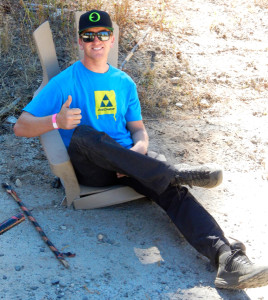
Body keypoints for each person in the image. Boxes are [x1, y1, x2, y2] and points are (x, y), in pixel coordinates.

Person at [14, 10, 268, 290]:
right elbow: (21, 126)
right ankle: (172, 172)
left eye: (103, 35)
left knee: (174, 194)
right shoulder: (65, 81)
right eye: (88, 36)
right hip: (92, 169)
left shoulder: (124, 82)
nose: (95, 41)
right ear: (79, 41)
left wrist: (140, 148)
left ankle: (227, 259)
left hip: (130, 165)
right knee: (83, 134)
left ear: (111, 39)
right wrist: (56, 121)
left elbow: (137, 129)